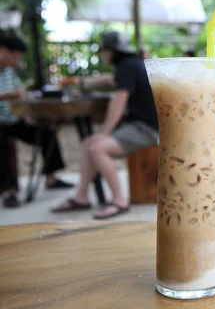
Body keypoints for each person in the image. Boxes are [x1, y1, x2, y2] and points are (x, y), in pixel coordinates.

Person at [52, 31, 158, 219]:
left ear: (111, 51)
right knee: (88, 143)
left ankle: (119, 201)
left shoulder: (127, 67)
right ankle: (81, 197)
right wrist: (78, 82)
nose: (102, 55)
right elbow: (107, 80)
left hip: (147, 129)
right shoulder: (132, 64)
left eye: (103, 51)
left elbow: (118, 101)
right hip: (140, 125)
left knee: (97, 148)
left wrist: (106, 132)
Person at [0, 34, 73, 208]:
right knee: (2, 146)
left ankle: (51, 177)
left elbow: (19, 93)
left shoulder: (10, 72)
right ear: (3, 51)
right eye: (15, 57)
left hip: (15, 120)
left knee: (46, 133)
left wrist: (25, 112)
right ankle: (8, 190)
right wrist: (7, 96)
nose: (17, 61)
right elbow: (12, 95)